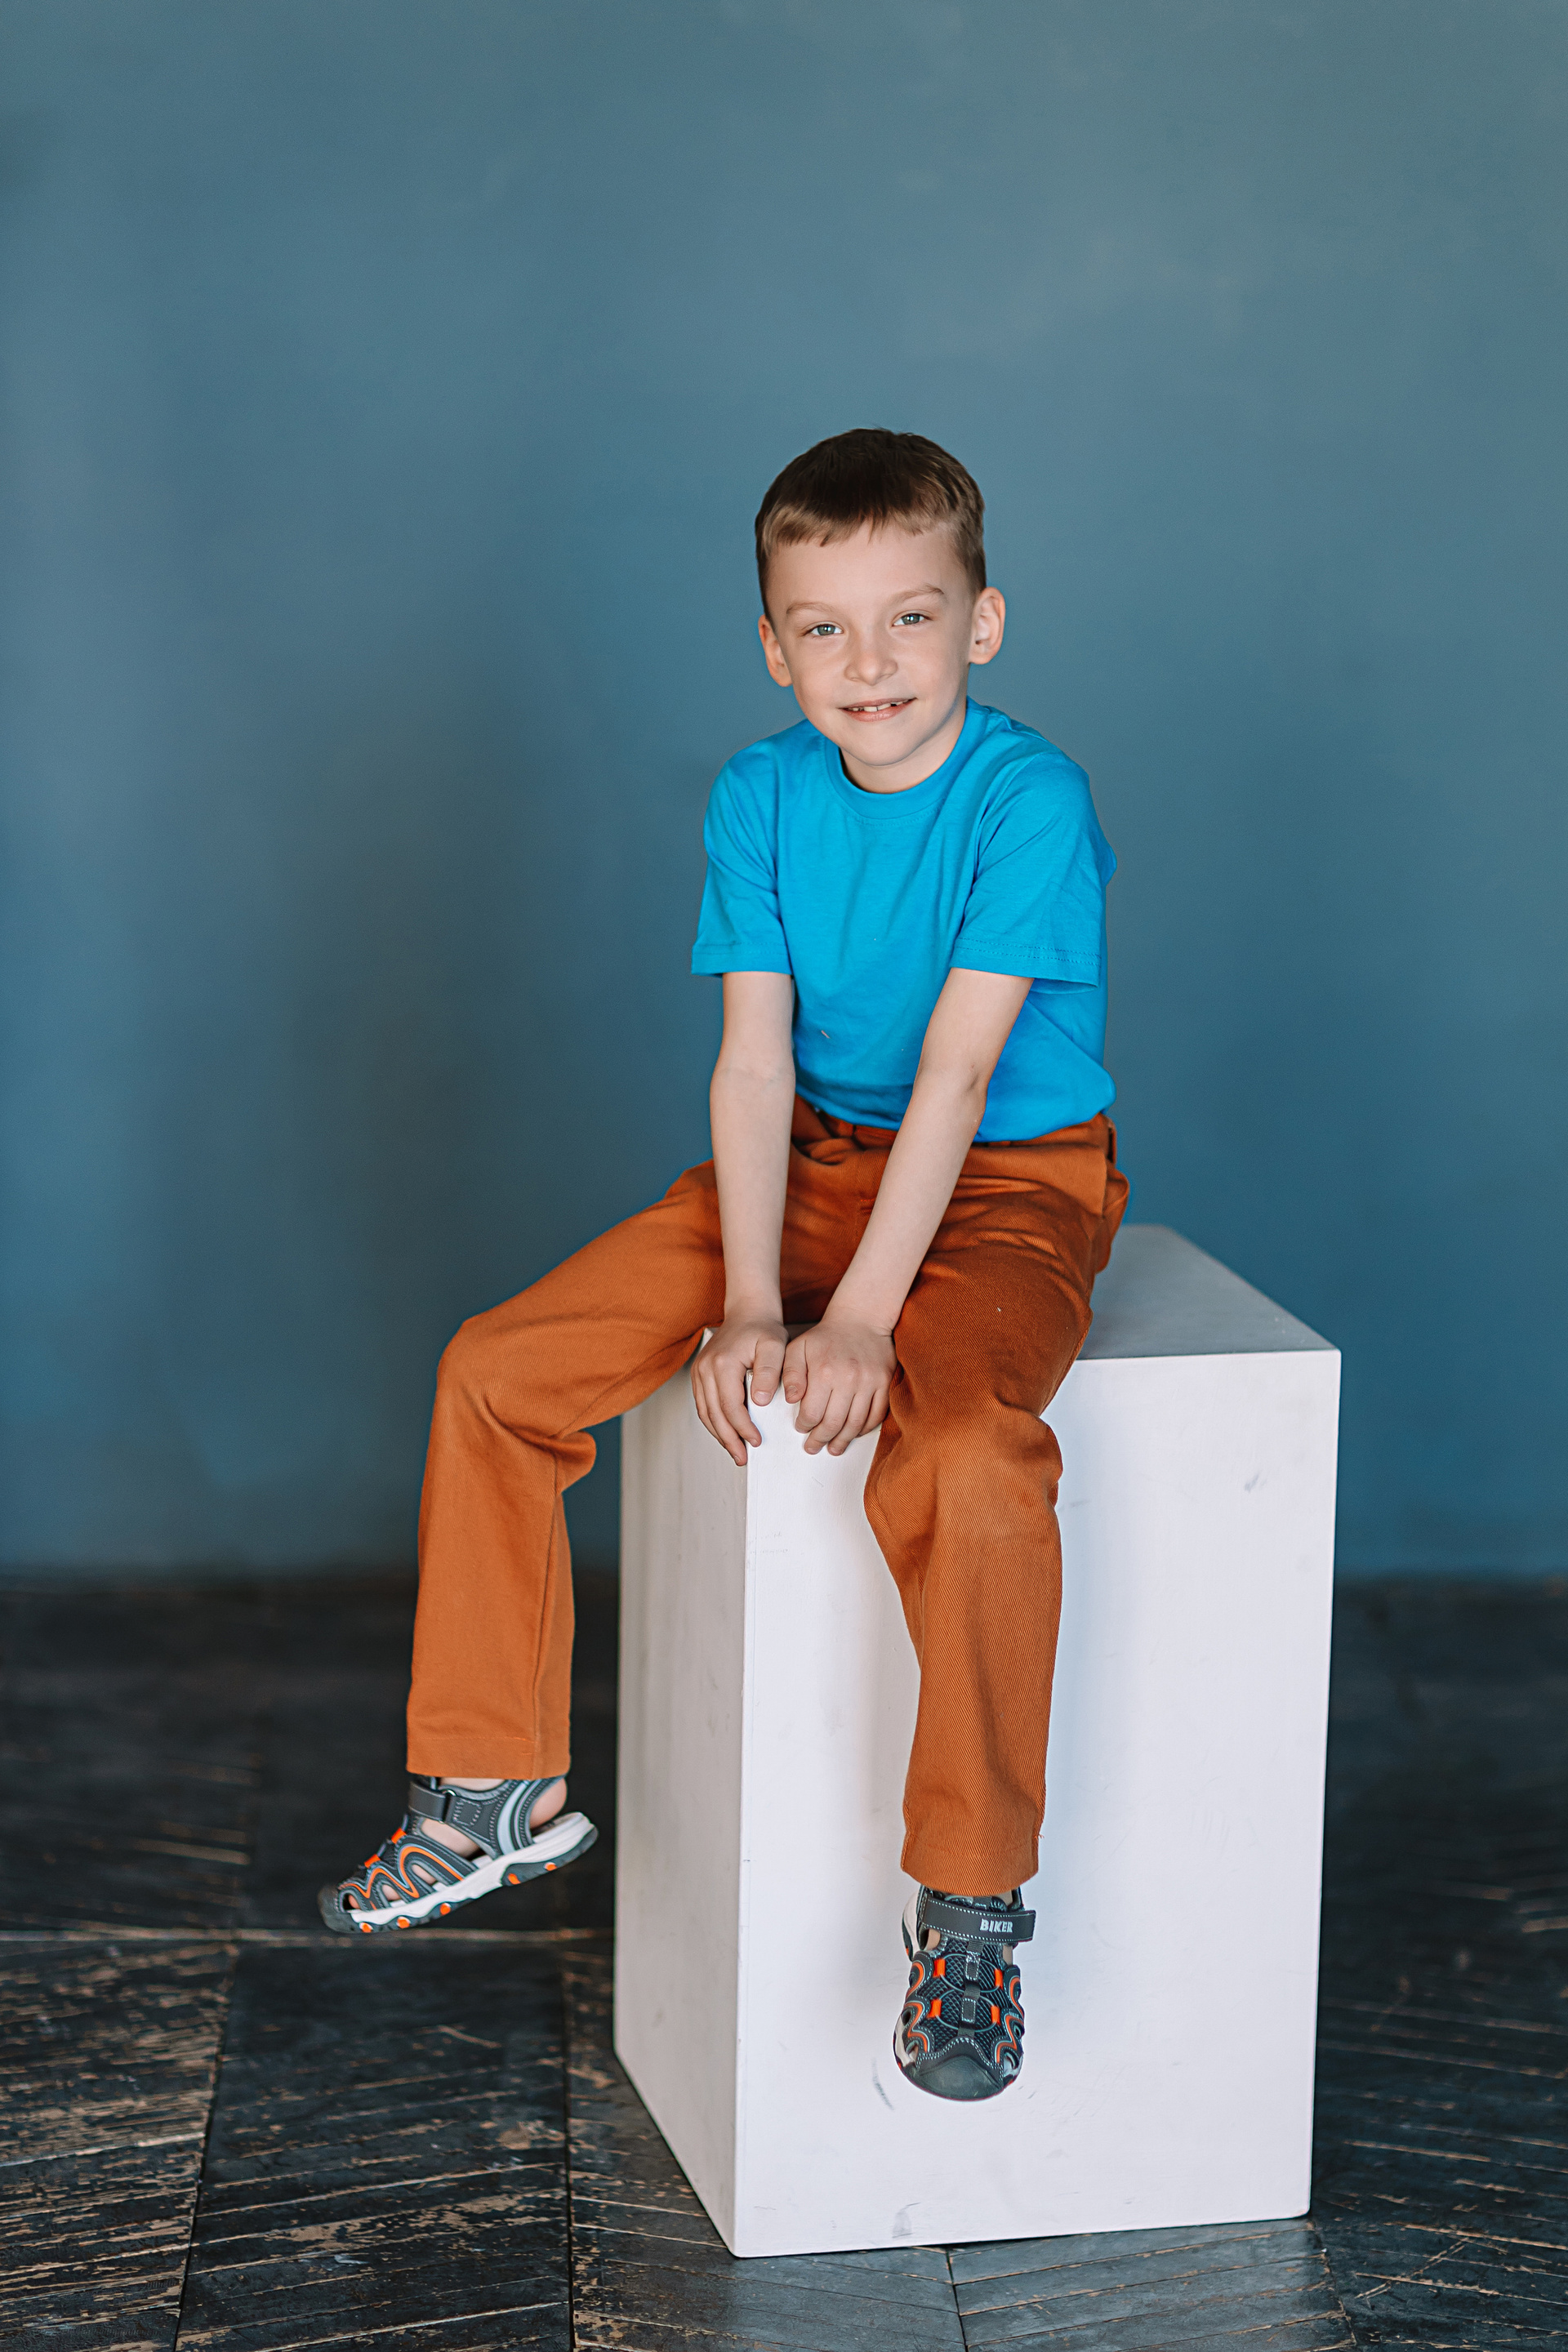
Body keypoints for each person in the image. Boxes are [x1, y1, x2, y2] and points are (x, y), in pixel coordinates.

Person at [320, 428, 1126, 2105]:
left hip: (1005, 1187)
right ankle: (491, 1788)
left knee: (971, 1455)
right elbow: (755, 1062)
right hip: (811, 1163)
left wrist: (860, 1321)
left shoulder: (1029, 798)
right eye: (824, 627)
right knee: (495, 1371)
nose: (869, 662)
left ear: (983, 622)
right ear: (773, 647)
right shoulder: (758, 796)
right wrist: (757, 1302)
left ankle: (971, 1904)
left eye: (910, 617)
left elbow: (960, 1079)